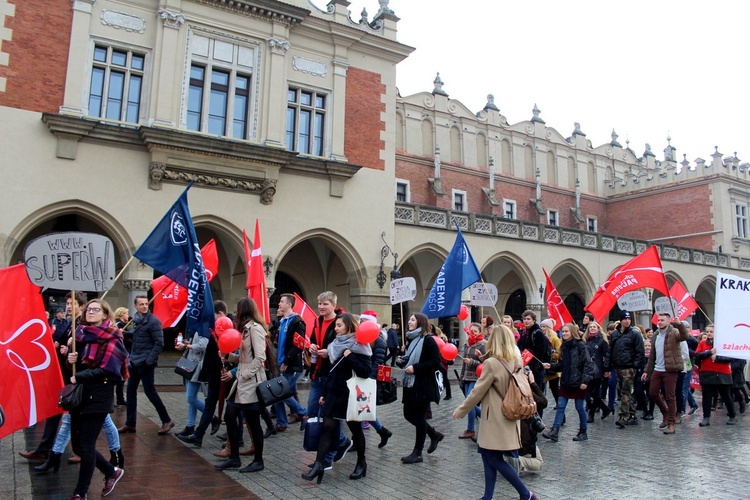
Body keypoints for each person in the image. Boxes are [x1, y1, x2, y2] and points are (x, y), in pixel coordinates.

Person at [453, 324, 538, 500]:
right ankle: (487, 496)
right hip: (509, 414)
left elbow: (477, 391)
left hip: (495, 417)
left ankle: (526, 494)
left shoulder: (492, 364)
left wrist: (462, 410)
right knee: (487, 456)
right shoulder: (517, 360)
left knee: (494, 459)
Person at [66, 299, 128, 499]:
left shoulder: (113, 337)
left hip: (99, 397)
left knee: (86, 445)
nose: (91, 312)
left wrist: (79, 376)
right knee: (77, 446)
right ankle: (112, 471)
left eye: (96, 310)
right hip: (80, 396)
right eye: (89, 309)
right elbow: (79, 368)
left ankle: (80, 493)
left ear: (105, 314)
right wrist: (71, 361)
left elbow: (108, 370)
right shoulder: (82, 335)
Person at [302, 313, 372, 483]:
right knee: (328, 427)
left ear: (349, 326)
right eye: (336, 325)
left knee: (356, 430)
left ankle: (361, 463)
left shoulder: (360, 345)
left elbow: (365, 372)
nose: (336, 328)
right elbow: (331, 371)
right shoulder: (335, 344)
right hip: (334, 392)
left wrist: (351, 356)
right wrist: (325, 393)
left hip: (351, 394)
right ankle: (319, 464)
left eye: (339, 325)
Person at [19, 291, 86, 464]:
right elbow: (62, 345)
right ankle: (44, 449)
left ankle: (82, 451)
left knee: (85, 417)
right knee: (56, 411)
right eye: (68, 304)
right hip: (64, 376)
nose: (69, 307)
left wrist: (71, 349)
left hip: (78, 378)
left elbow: (87, 351)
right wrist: (60, 347)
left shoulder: (83, 325)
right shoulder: (71, 324)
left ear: (81, 306)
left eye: (73, 304)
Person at [215, 298, 268, 473]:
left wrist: (245, 374)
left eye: (237, 311)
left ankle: (258, 460)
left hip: (251, 382)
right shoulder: (244, 330)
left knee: (253, 422)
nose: (235, 314)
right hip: (241, 382)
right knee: (230, 416)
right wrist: (229, 356)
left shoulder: (255, 329)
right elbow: (244, 358)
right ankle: (234, 458)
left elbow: (260, 358)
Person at [306, 291, 350, 470]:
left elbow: (346, 345)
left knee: (330, 417)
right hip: (318, 373)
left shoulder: (340, 322)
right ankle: (342, 442)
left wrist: (329, 352)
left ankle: (326, 457)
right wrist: (312, 347)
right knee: (312, 411)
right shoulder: (317, 322)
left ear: (333, 305)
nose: (322, 307)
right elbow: (313, 341)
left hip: (333, 374)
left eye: (325, 304)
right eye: (320, 304)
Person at [118, 295, 173, 435]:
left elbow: (159, 343)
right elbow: (138, 335)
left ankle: (166, 420)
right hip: (135, 360)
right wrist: (124, 333)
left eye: (146, 304)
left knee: (150, 392)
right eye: (141, 304)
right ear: (135, 306)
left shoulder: (153, 321)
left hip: (145, 362)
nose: (144, 306)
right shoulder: (137, 320)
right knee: (130, 391)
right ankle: (130, 423)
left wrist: (149, 361)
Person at [177, 300, 228, 447]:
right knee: (209, 402)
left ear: (219, 313)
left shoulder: (221, 326)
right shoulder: (209, 326)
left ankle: (233, 435)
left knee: (232, 407)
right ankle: (196, 432)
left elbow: (205, 345)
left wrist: (188, 345)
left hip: (217, 371)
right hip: (210, 370)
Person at [398, 313, 444, 464]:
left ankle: (417, 452)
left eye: (412, 319)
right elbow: (410, 359)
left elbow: (436, 362)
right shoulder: (412, 339)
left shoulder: (428, 340)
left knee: (418, 417)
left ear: (420, 322)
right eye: (409, 319)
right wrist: (402, 360)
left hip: (423, 385)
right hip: (411, 384)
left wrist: (416, 368)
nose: (409, 322)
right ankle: (433, 434)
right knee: (408, 414)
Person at [542, 323, 594, 442]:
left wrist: (585, 380)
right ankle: (555, 431)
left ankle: (583, 431)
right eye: (563, 331)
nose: (564, 334)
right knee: (560, 406)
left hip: (578, 381)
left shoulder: (581, 346)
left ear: (572, 332)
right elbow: (562, 365)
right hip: (566, 381)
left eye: (566, 331)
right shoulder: (564, 346)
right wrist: (551, 366)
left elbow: (588, 365)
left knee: (579, 407)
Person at [641, 313, 689, 434]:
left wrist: (680, 325)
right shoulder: (656, 334)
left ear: (668, 322)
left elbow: (684, 336)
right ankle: (665, 413)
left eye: (662, 320)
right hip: (658, 368)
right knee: (652, 392)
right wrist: (647, 370)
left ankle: (671, 423)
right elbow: (652, 356)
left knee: (670, 396)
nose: (660, 322)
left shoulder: (674, 332)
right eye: (659, 320)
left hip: (670, 369)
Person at [272, 293, 308, 432]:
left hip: (292, 366)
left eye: (282, 302)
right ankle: (282, 422)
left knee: (280, 393)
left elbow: (298, 345)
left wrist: (286, 361)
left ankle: (303, 413)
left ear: (289, 304)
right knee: (280, 393)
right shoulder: (282, 322)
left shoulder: (297, 322)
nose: (279, 304)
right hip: (281, 364)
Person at [360, 310, 393, 446]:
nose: (361, 323)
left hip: (369, 378)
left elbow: (378, 361)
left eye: (364, 321)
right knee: (363, 409)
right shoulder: (363, 337)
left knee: (362, 408)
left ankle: (360, 439)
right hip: (361, 376)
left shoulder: (378, 340)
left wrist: (370, 379)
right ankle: (382, 431)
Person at [608, 310, 645, 428]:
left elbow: (640, 351)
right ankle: (632, 415)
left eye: (629, 319)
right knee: (625, 392)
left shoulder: (635, 333)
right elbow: (610, 350)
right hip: (618, 367)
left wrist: (635, 366)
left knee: (625, 392)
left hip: (629, 368)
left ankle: (623, 416)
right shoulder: (615, 334)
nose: (627, 321)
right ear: (621, 320)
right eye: (625, 319)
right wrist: (608, 366)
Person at [695, 327, 737, 426]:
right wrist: (709, 352)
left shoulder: (724, 343)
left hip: (723, 373)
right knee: (707, 396)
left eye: (711, 332)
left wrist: (717, 358)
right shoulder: (702, 343)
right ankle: (706, 418)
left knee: (726, 395)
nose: (709, 334)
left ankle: (732, 416)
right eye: (708, 332)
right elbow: (697, 356)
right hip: (707, 373)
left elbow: (730, 358)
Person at [175, 328, 209, 438]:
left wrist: (186, 346)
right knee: (192, 398)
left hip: (197, 366)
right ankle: (190, 425)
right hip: (191, 364)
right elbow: (198, 343)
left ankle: (212, 417)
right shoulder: (197, 326)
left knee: (190, 398)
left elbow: (202, 345)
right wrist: (187, 343)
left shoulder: (203, 326)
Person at [457, 322, 486, 440]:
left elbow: (486, 363)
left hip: (476, 377)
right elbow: (464, 363)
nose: (472, 333)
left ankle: (470, 429)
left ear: (480, 333)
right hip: (466, 377)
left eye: (475, 331)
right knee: (471, 403)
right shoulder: (466, 344)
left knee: (470, 402)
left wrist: (472, 362)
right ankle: (486, 419)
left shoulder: (483, 344)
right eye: (471, 331)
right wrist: (461, 376)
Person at [584, 321, 612, 421]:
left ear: (598, 328)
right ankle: (605, 408)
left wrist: (607, 369)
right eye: (590, 327)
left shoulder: (602, 341)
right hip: (588, 370)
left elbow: (607, 355)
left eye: (594, 327)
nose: (592, 328)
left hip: (598, 370)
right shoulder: (586, 340)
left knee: (594, 393)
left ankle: (591, 414)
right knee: (591, 393)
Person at [540, 318, 562, 407]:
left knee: (554, 388)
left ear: (549, 328)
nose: (542, 328)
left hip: (552, 367)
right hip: (543, 365)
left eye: (544, 326)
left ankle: (559, 404)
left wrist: (551, 354)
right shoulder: (541, 337)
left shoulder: (555, 339)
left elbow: (559, 353)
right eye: (541, 326)